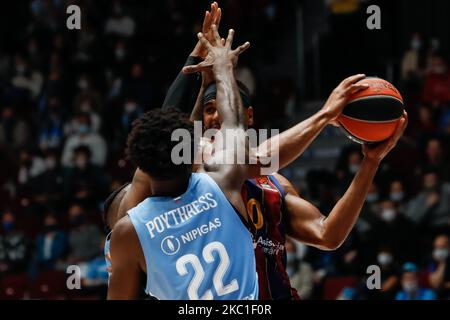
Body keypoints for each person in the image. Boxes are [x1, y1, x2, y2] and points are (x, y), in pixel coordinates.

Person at [105, 1, 408, 300]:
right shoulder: (200, 173)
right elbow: (178, 135)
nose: (215, 116)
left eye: (220, 106)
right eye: (208, 110)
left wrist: (371, 163)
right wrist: (324, 115)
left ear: (246, 115)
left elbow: (328, 235)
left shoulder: (271, 184)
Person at [107, 28, 258, 300]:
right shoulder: (220, 181)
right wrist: (223, 71)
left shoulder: (129, 230)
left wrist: (200, 79)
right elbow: (234, 128)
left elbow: (169, 133)